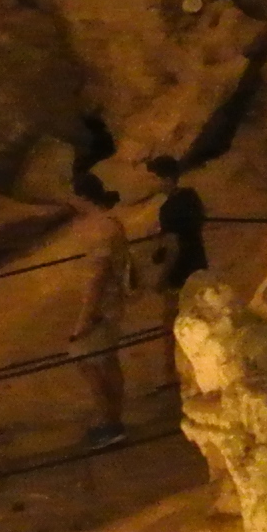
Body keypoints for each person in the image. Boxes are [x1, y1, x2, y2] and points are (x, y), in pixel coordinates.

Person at [67, 199, 134, 446]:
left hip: (99, 310)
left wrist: (83, 321)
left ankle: (108, 424)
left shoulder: (100, 228)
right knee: (108, 362)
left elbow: (98, 276)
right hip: (112, 306)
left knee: (87, 363)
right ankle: (113, 420)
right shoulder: (112, 223)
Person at [149, 154, 212, 294]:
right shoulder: (190, 195)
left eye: (154, 178)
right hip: (199, 266)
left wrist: (162, 280)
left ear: (167, 179)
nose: (151, 182)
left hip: (180, 277)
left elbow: (173, 248)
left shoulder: (167, 209)